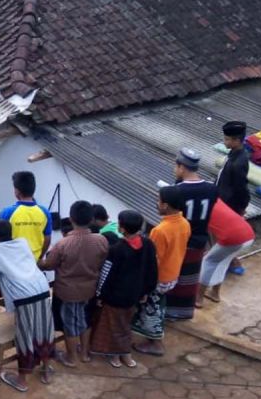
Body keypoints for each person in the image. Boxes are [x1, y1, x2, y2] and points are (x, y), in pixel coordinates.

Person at [0, 219, 53, 392]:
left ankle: (22, 381)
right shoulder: (22, 242)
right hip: (42, 288)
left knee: (25, 337)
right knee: (44, 331)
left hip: (23, 296)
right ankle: (46, 371)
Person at [39, 200, 109, 367]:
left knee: (69, 325)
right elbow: (102, 261)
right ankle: (84, 354)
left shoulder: (63, 244)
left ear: (71, 219)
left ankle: (71, 358)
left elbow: (49, 265)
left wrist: (39, 261)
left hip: (67, 292)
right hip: (90, 290)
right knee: (86, 320)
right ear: (91, 219)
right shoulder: (101, 240)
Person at [91, 210, 157, 368]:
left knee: (116, 326)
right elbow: (152, 269)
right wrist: (146, 291)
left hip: (116, 296)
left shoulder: (116, 249)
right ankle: (123, 355)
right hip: (135, 294)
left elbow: (106, 274)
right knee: (126, 324)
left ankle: (119, 354)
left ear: (122, 228)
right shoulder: (148, 244)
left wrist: (100, 295)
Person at [133, 186, 190, 356]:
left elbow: (153, 261)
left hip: (159, 278)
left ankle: (156, 343)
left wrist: (144, 285)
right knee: (158, 305)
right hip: (173, 274)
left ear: (165, 205)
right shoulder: (184, 223)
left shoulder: (160, 230)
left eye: (158, 201)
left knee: (152, 309)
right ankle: (151, 338)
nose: (157, 204)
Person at [164, 148, 219, 321]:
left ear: (181, 167)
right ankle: (185, 311)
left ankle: (170, 312)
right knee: (190, 278)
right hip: (200, 240)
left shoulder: (177, 190)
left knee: (174, 276)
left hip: (181, 241)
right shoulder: (212, 189)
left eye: (176, 166)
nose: (174, 169)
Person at [195, 200, 255, 308]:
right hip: (248, 234)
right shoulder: (214, 200)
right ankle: (215, 294)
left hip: (233, 238)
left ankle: (198, 298)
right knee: (223, 262)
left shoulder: (197, 206)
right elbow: (215, 230)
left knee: (208, 261)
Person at [0, 171, 53, 278]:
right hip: (34, 266)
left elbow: (0, 240)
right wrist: (39, 257)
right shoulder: (44, 212)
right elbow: (47, 239)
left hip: (13, 267)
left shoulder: (7, 212)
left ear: (17, 191)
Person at [216, 120, 251, 276]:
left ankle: (233, 261)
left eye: (227, 139)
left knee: (226, 235)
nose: (225, 142)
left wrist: (241, 207)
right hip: (222, 200)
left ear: (236, 140)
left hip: (230, 204)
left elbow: (241, 188)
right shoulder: (234, 155)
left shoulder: (239, 162)